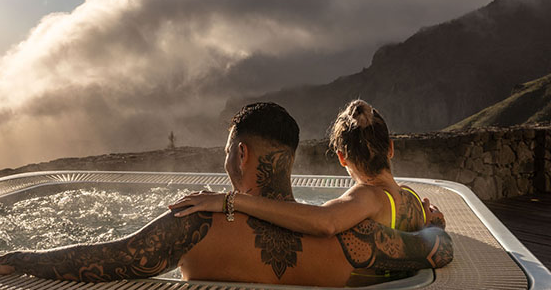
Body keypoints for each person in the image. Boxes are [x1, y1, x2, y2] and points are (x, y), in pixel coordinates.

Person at [0, 102, 452, 286]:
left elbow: (118, 257)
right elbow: (435, 248)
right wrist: (432, 225)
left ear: (239, 157)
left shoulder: (196, 219)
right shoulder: (355, 232)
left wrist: (20, 258)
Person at [169, 99, 444, 238]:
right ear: (391, 149)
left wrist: (231, 201)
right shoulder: (410, 199)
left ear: (341, 158)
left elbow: (325, 222)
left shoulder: (367, 198)